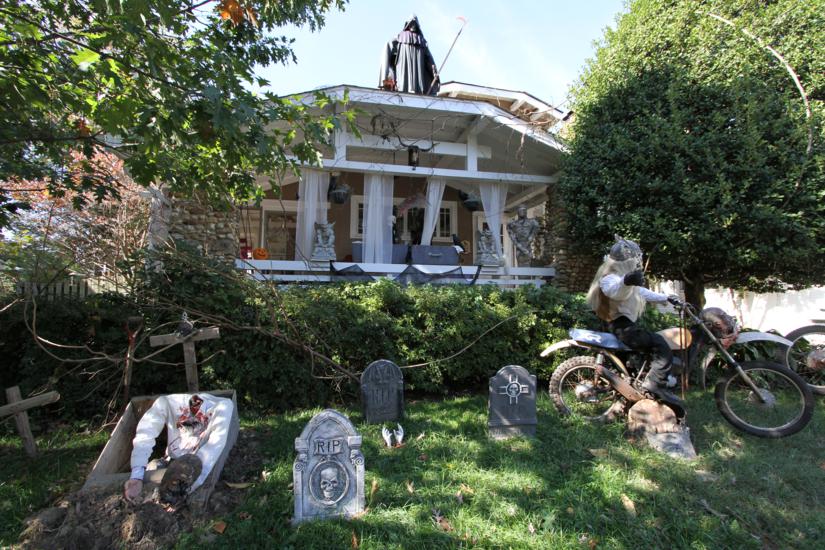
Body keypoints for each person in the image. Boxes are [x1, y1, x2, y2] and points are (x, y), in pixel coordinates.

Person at [586, 236, 681, 402]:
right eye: (635, 258)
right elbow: (614, 290)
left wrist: (666, 298)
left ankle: (641, 383)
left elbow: (640, 292)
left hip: (623, 326)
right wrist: (627, 281)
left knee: (649, 345)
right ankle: (655, 383)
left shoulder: (622, 278)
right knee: (659, 342)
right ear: (627, 260)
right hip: (620, 327)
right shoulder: (610, 277)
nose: (638, 262)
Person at [123, 393, 234, 507]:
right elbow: (145, 434)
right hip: (171, 461)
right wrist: (136, 475)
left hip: (194, 466)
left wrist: (185, 489)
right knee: (153, 468)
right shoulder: (167, 403)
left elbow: (212, 450)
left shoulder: (222, 409)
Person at [379, 15, 440, 95]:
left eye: (415, 24)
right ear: (408, 25)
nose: (413, 26)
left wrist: (434, 72)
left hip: (418, 82)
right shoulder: (399, 37)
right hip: (402, 77)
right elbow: (388, 47)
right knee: (404, 86)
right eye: (411, 24)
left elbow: (429, 59)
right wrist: (385, 77)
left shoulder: (422, 41)